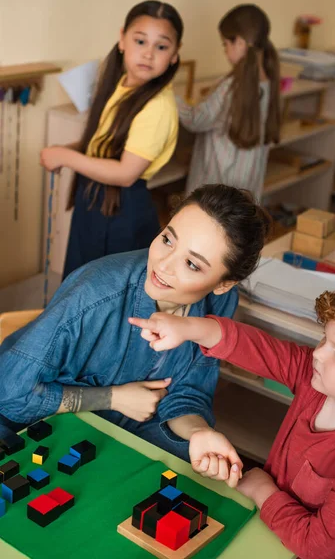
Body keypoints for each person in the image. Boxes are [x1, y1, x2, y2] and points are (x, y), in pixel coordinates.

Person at [0, 185, 268, 462]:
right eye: (167, 240)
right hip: (42, 430)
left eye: (191, 264)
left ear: (223, 284)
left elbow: (189, 392)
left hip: (130, 433)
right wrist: (112, 398)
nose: (163, 265)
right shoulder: (94, 294)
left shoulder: (220, 302)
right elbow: (10, 393)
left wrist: (199, 431)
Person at [131, 283, 335, 559]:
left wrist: (262, 489)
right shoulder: (314, 377)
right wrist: (187, 328)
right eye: (324, 340)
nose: (318, 353)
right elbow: (257, 347)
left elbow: (319, 546)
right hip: (265, 525)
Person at [40, 0, 183, 280]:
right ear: (122, 40)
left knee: (103, 289)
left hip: (121, 209)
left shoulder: (157, 106)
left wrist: (67, 158)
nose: (149, 54)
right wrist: (64, 150)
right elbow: (105, 145)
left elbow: (125, 173)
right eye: (140, 41)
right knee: (80, 280)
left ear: (175, 55)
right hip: (96, 199)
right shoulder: (122, 83)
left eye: (162, 46)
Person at [176, 3, 280, 199]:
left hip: (216, 189)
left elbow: (196, 120)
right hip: (247, 187)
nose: (224, 50)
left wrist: (172, 99)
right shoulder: (269, 81)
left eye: (225, 44)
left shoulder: (231, 88)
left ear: (239, 42)